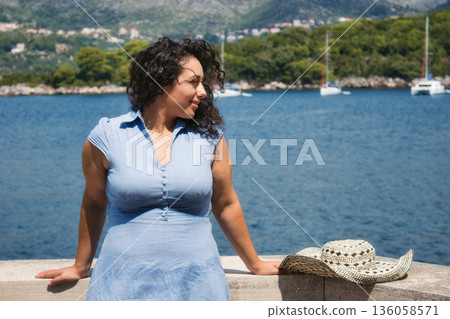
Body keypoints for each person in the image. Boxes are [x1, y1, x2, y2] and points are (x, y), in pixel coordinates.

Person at [36, 37, 280, 300]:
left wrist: (255, 264)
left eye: (203, 83)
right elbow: (94, 202)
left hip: (199, 285)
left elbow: (226, 204)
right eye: (193, 82)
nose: (203, 92)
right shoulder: (107, 135)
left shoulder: (211, 138)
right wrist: (80, 266)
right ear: (161, 81)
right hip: (120, 285)